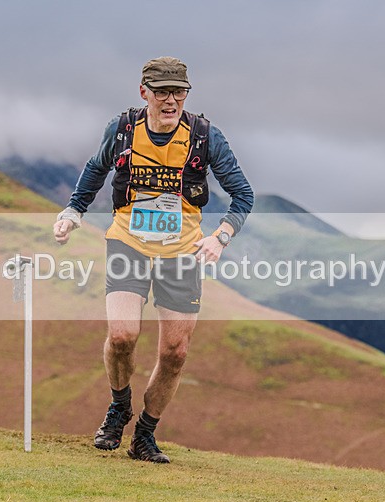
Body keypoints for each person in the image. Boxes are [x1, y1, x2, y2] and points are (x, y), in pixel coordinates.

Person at [53, 57, 254, 463]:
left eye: (179, 91)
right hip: (128, 241)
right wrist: (73, 211)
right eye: (161, 91)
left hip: (182, 251)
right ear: (143, 91)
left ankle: (144, 434)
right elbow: (96, 169)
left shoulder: (204, 137)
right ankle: (119, 405)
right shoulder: (124, 129)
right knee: (123, 336)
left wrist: (221, 237)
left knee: (175, 352)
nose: (170, 100)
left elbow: (243, 195)